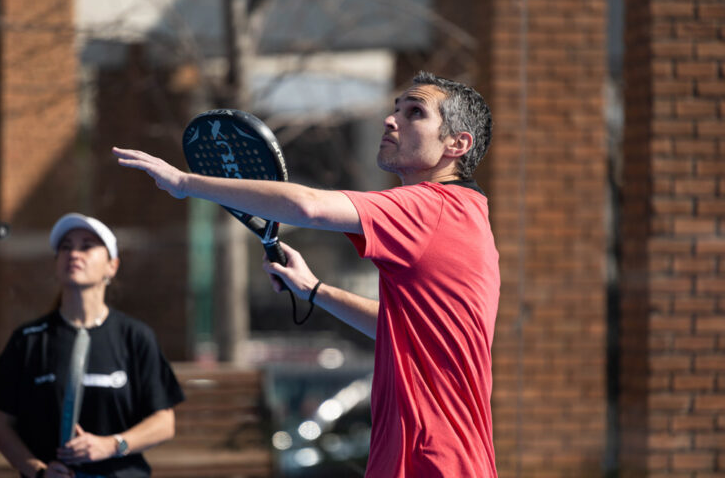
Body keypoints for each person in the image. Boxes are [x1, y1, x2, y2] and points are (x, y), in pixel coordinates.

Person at [113, 71, 499, 477]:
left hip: (433, 463)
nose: (391, 119)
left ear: (457, 144)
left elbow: (307, 207)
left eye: (415, 112)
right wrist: (315, 290)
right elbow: (396, 325)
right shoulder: (463, 217)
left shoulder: (433, 207)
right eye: (395, 109)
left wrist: (185, 183)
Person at [0, 213, 185, 478]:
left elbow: (164, 423)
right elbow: (0, 426)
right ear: (56, 263)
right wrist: (38, 471)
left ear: (112, 266)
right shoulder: (28, 339)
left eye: (87, 246)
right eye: (66, 247)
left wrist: (112, 445)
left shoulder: (135, 337)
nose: (74, 254)